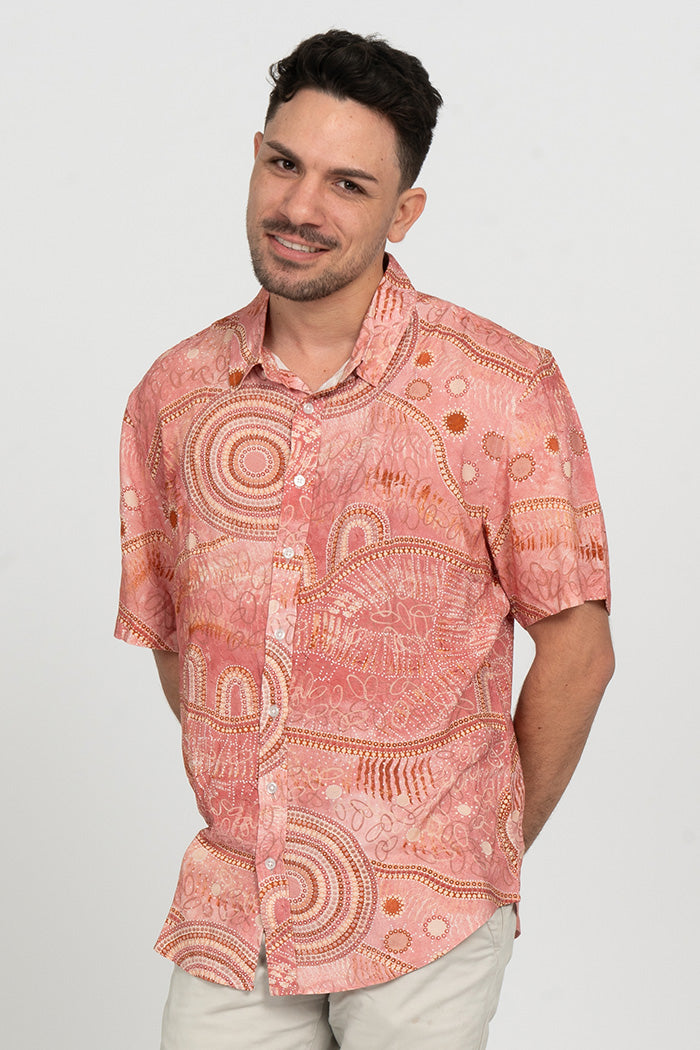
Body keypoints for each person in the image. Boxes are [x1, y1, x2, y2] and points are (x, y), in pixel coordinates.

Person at [116, 28, 614, 1050]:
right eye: (284, 164)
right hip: (237, 909)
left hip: (428, 911)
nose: (301, 207)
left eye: (348, 184)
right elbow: (179, 640)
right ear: (254, 158)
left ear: (404, 211)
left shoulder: (500, 387)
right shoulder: (175, 396)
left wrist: (481, 850)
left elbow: (579, 648)